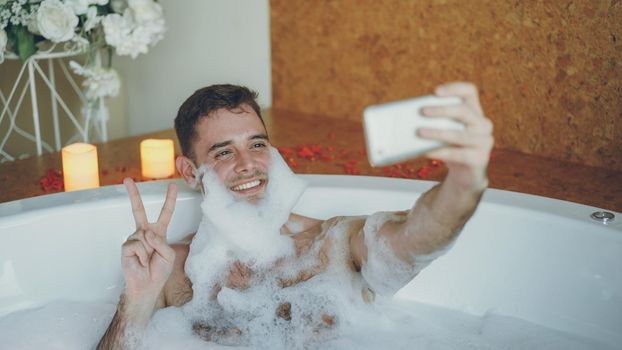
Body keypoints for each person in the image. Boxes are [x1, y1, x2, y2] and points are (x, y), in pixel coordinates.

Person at [97, 82, 494, 349]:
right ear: (189, 172)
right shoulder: (173, 270)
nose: (248, 164)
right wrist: (136, 301)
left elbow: (416, 239)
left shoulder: (331, 243)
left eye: (257, 144)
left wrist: (464, 181)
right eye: (223, 152)